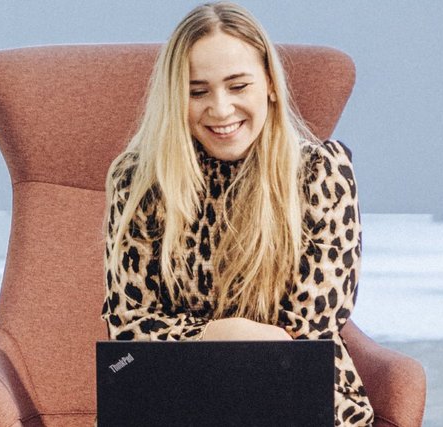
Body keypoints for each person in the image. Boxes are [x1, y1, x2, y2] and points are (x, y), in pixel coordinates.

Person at [100, 2, 374, 425]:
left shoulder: (321, 173)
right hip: (172, 399)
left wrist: (191, 337)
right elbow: (129, 327)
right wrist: (220, 332)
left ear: (270, 83)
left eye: (238, 85)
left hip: (297, 399)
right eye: (197, 92)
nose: (221, 109)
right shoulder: (138, 180)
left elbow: (307, 334)